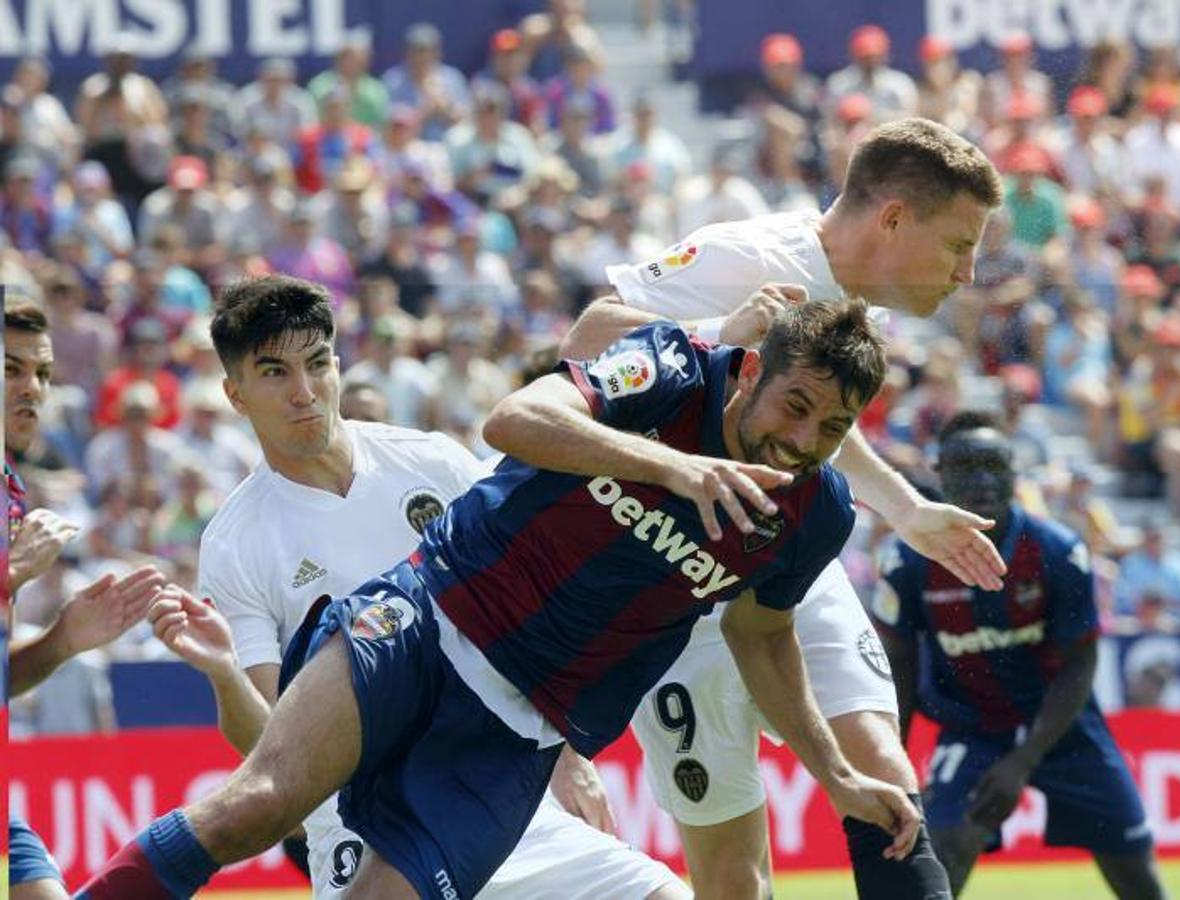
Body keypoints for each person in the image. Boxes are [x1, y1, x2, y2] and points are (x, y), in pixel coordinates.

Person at [77, 296, 914, 899]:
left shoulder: (811, 512)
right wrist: (672, 467)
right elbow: (515, 419)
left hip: (515, 730)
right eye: (795, 407)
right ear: (752, 373)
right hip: (422, 625)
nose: (802, 441)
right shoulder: (667, 369)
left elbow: (763, 636)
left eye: (832, 429)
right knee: (252, 809)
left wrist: (834, 772)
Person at [112, 275, 687, 900]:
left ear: (337, 364)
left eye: (316, 364)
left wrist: (571, 762)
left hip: (494, 787)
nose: (304, 393)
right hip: (366, 828)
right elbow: (273, 748)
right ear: (235, 394)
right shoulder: (236, 542)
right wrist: (225, 671)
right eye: (274, 373)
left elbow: (526, 621)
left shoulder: (433, 463)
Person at [560, 116, 1004, 900]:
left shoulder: (855, 306)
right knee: (733, 879)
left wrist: (904, 509)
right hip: (671, 581)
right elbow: (587, 336)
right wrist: (715, 336)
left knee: (883, 778)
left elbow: (812, 429)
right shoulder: (754, 258)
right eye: (957, 244)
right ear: (893, 218)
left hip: (783, 557)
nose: (967, 272)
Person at [871, 411, 1168, 899]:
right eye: (966, 466)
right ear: (939, 473)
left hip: (1063, 729)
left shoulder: (1058, 551)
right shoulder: (906, 561)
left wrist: (1025, 758)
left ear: (1014, 471)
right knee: (942, 845)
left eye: (994, 464)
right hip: (971, 728)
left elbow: (1081, 663)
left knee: (1137, 876)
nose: (983, 479)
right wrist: (894, 771)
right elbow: (897, 668)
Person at [7, 297, 166, 900]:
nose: (32, 388)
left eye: (42, 373)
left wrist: (64, 639)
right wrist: (13, 572)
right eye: (11, 368)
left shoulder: (11, 493)